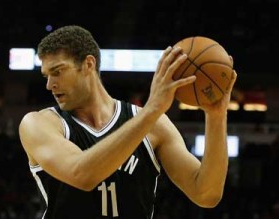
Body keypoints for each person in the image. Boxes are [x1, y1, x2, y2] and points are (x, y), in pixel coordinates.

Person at [18, 25, 237, 219]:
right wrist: (151, 110)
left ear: (88, 64)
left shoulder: (155, 124)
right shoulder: (39, 124)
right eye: (46, 75)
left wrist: (216, 116)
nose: (49, 85)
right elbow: (82, 174)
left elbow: (206, 194)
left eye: (57, 72)